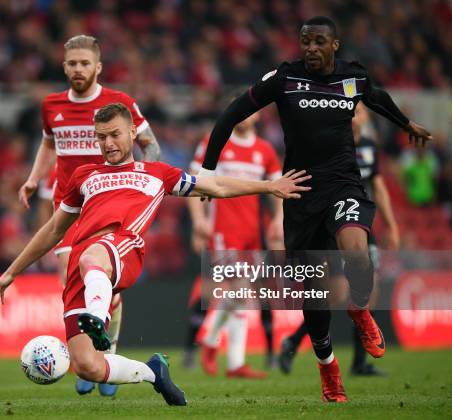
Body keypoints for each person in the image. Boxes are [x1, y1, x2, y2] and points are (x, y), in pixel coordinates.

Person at [0, 103, 310, 407]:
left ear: (132, 133)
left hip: (122, 248)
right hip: (84, 270)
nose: (108, 143)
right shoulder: (85, 175)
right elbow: (54, 230)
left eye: (114, 134)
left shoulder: (157, 173)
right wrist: (11, 272)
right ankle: (154, 372)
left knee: (91, 257)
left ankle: (99, 319)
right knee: (87, 366)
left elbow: (216, 186)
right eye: (101, 137)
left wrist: (269, 186)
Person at [197, 16, 432, 402]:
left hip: (342, 183)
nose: (310, 48)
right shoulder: (284, 79)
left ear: (334, 45)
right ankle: (328, 368)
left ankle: (359, 309)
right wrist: (207, 172)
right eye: (305, 41)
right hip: (300, 191)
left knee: (357, 249)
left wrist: (407, 124)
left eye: (319, 42)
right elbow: (231, 114)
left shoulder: (352, 78)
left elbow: (377, 98)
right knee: (316, 293)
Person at [17, 35, 161, 397]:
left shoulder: (120, 103)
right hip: (67, 205)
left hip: (108, 207)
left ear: (98, 66)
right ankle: (91, 357)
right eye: (72, 63)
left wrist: (142, 180)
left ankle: (105, 353)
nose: (78, 69)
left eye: (85, 63)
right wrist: (34, 179)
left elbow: (150, 143)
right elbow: (49, 143)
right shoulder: (51, 105)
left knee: (103, 282)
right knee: (70, 281)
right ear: (64, 66)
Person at [278, 102, 400, 376]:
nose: (355, 117)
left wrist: (391, 225)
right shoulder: (327, 144)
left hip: (356, 222)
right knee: (331, 297)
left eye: (361, 112)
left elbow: (377, 186)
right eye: (353, 112)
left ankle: (359, 362)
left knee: (371, 290)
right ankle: (294, 341)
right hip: (326, 222)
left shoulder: (368, 147)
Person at [184, 112, 282, 378]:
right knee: (241, 289)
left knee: (241, 296)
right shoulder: (214, 142)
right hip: (223, 231)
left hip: (253, 233)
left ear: (259, 116)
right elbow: (193, 181)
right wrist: (198, 220)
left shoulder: (265, 149)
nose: (245, 116)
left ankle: (233, 360)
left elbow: (277, 188)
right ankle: (215, 342)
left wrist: (279, 219)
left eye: (251, 111)